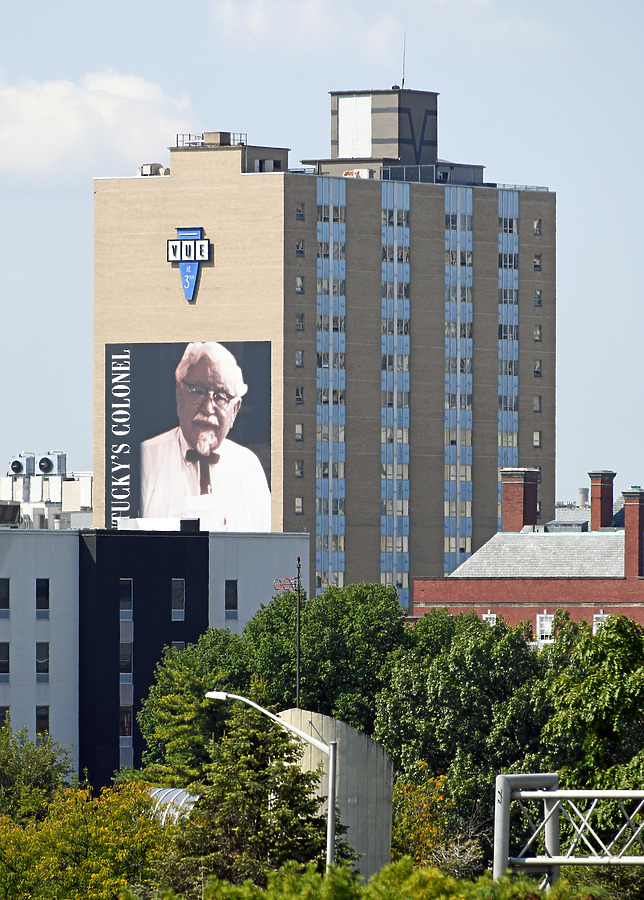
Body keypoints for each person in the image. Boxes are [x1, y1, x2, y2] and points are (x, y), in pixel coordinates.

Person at [140, 342, 271, 530]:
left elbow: (264, 543)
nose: (208, 408)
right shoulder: (145, 459)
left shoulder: (248, 467)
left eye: (221, 397)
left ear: (234, 410)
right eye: (198, 392)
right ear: (179, 397)